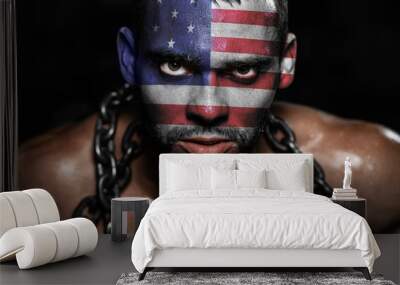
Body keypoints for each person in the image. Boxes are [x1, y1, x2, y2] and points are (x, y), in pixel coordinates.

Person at [18, 0, 400, 233]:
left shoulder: (377, 171)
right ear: (129, 60)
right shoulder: (42, 183)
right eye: (173, 65)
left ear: (286, 62)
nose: (208, 109)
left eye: (244, 71)